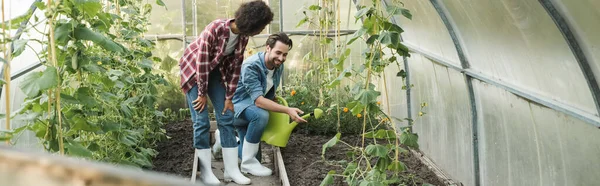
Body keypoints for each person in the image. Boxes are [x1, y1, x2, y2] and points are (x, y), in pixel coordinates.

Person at [178, 1, 273, 185]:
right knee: (201, 121)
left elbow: (236, 68)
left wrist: (229, 97)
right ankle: (206, 173)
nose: (261, 31)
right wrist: (201, 93)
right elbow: (202, 62)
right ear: (252, 22)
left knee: (227, 117)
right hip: (193, 71)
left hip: (213, 72)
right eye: (261, 26)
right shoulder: (215, 28)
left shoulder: (242, 37)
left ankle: (231, 171)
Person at [233, 32, 307, 176]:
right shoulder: (251, 66)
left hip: (250, 111)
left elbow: (267, 92)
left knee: (256, 158)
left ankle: (221, 140)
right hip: (236, 109)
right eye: (278, 53)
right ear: (268, 48)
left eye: (285, 55)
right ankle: (248, 164)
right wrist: (287, 110)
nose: (281, 58)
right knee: (261, 115)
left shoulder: (277, 66)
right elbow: (259, 101)